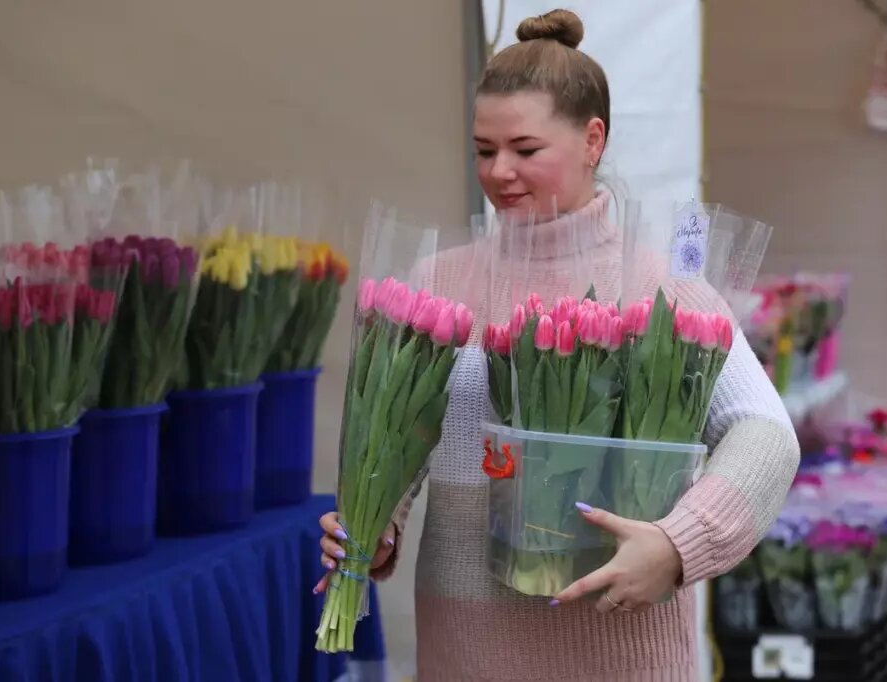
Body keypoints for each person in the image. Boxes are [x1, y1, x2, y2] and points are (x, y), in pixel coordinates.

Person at [318, 9, 799, 681]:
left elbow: (767, 434)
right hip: (464, 651)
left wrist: (677, 544)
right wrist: (377, 525)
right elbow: (409, 443)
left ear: (592, 140)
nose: (500, 172)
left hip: (619, 652)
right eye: (484, 151)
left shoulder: (659, 290)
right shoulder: (439, 281)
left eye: (525, 149)